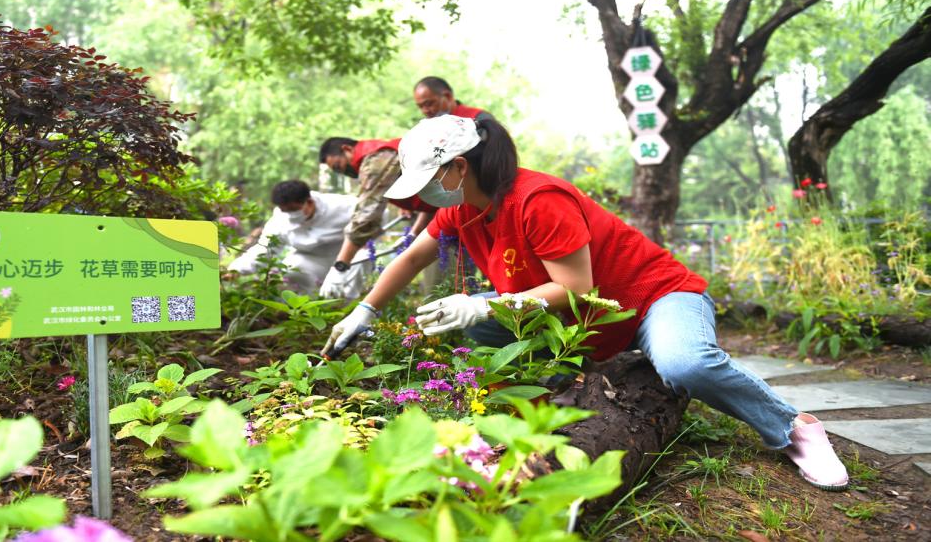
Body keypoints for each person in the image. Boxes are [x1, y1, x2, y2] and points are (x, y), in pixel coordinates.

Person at [322, 115, 850, 492]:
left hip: (653, 297)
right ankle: (549, 406)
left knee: (684, 363)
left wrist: (485, 306)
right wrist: (364, 309)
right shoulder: (463, 209)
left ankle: (794, 428)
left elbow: (576, 290)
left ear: (459, 167)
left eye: (431, 179)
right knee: (474, 324)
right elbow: (412, 259)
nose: (425, 196)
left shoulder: (537, 200)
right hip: (589, 321)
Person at [317, 136, 438, 298]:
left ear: (347, 149)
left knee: (442, 285)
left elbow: (366, 216)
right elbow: (432, 202)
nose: (344, 173)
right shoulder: (383, 151)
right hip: (449, 210)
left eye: (339, 166)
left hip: (461, 210)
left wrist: (341, 265)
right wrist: (413, 233)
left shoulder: (378, 158)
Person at [227, 180, 360, 295]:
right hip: (309, 258)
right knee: (290, 271)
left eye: (294, 209)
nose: (291, 214)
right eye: (285, 210)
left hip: (348, 256)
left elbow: (373, 216)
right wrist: (236, 269)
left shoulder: (343, 206)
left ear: (309, 202)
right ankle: (301, 312)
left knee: (349, 286)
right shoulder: (280, 219)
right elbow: (266, 249)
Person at [413, 76, 495, 121]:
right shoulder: (425, 128)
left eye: (429, 104)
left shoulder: (479, 118)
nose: (425, 111)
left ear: (448, 96)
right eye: (420, 107)